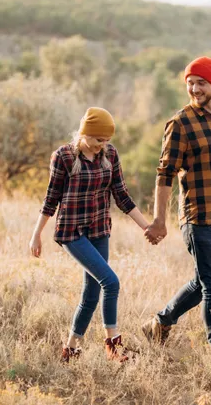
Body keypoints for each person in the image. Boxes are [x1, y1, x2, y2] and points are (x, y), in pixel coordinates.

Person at [142, 56, 211, 350]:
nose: (194, 89)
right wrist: (159, 220)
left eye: (200, 82)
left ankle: (160, 323)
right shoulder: (180, 123)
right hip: (197, 218)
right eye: (190, 83)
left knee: (202, 282)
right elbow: (165, 173)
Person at [30, 107, 149, 363]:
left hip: (98, 229)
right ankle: (113, 346)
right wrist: (36, 234)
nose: (102, 145)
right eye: (98, 140)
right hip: (71, 232)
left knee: (91, 294)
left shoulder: (110, 154)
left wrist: (146, 227)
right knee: (111, 282)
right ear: (84, 134)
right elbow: (51, 199)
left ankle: (70, 350)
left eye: (106, 140)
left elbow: (122, 195)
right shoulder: (63, 157)